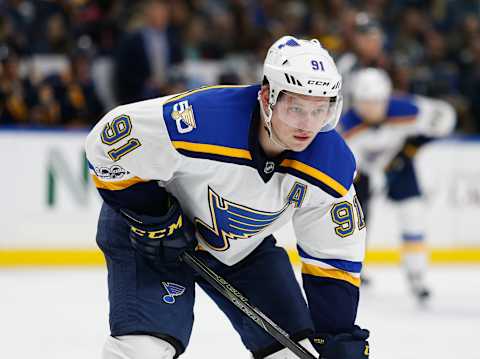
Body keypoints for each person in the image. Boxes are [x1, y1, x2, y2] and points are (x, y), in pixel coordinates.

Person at [86, 35, 369, 359]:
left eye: (320, 110)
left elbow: (333, 257)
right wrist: (153, 214)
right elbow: (106, 145)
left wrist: (338, 335)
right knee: (142, 350)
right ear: (267, 97)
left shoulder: (330, 165)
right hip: (152, 238)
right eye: (295, 108)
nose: (307, 125)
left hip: (241, 247)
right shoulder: (201, 119)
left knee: (293, 355)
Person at [339, 68, 456, 301]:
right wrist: (366, 179)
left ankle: (417, 276)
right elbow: (347, 166)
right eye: (365, 102)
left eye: (377, 102)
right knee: (356, 221)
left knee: (413, 215)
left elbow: (445, 117)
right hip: (364, 174)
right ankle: (353, 269)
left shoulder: (406, 109)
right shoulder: (347, 127)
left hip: (399, 166)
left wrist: (414, 145)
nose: (371, 109)